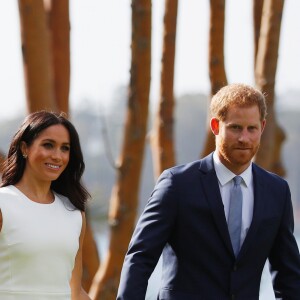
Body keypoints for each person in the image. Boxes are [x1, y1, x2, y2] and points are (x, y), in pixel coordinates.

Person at [117, 83, 300, 299]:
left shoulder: (277, 191)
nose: (244, 138)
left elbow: (288, 275)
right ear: (215, 126)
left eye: (252, 128)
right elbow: (140, 257)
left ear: (262, 126)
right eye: (235, 128)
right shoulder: (177, 184)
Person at [0, 111, 91, 300]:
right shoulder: (3, 204)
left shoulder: (74, 212)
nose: (57, 156)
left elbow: (75, 291)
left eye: (65, 148)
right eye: (48, 145)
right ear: (24, 148)